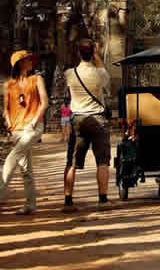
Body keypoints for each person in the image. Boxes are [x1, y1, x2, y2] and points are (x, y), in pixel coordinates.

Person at [0, 50, 48, 215]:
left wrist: (34, 122)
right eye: (27, 60)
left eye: (30, 59)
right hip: (17, 129)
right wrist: (10, 124)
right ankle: (30, 204)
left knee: (13, 156)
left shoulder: (37, 79)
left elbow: (44, 102)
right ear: (19, 64)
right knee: (25, 169)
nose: (30, 62)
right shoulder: (9, 85)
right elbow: (6, 108)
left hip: (33, 127)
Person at [63, 39, 111, 212]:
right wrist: (97, 56)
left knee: (72, 161)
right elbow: (105, 75)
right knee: (102, 161)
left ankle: (68, 201)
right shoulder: (100, 74)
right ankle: (103, 200)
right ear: (93, 53)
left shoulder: (70, 73)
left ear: (78, 53)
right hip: (98, 118)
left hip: (78, 120)